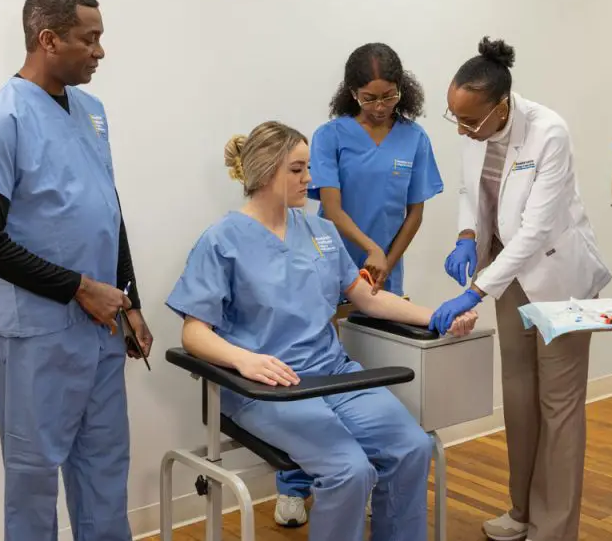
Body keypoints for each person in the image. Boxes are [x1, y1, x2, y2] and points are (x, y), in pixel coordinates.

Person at [165, 121, 478, 541]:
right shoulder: (222, 240)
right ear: (264, 170)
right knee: (348, 470)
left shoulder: (320, 232)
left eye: (307, 167)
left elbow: (367, 299)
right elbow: (194, 333)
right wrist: (246, 360)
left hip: (334, 374)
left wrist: (440, 314)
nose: (309, 179)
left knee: (413, 448)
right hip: (269, 385)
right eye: (297, 169)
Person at [0, 0, 153, 541]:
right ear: (48, 39)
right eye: (88, 39)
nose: (100, 51)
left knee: (104, 470)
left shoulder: (92, 113)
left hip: (100, 329)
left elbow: (106, 210)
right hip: (39, 337)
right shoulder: (1, 120)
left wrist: (128, 302)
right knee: (33, 480)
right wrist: (77, 288)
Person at [434, 37, 612, 541]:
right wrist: (468, 234)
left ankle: (554, 529)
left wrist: (475, 292)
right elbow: (472, 190)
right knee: (518, 395)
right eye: (456, 119)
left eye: (471, 120)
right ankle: (522, 511)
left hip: (559, 281)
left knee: (558, 404)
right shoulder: (473, 128)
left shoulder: (548, 132)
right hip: (508, 274)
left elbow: (535, 230)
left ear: (502, 106)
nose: (463, 129)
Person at [271, 43, 444, 525]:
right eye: (368, 97)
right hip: (329, 260)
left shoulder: (414, 138)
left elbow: (415, 212)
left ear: (401, 90)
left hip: (385, 268)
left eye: (387, 96)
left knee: (369, 370)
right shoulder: (330, 136)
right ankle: (294, 483)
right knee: (311, 364)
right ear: (351, 94)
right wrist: (370, 250)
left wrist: (386, 260)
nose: (379, 105)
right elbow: (332, 206)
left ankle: (369, 475)